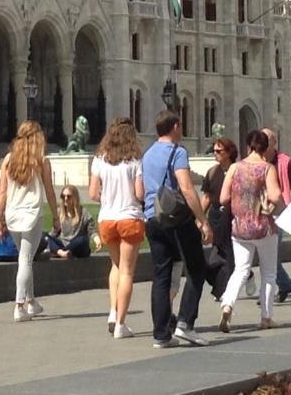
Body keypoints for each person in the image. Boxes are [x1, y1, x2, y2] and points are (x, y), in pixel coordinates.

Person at [142, 109, 213, 349]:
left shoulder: (148, 154)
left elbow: (140, 192)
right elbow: (186, 188)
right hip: (176, 221)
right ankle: (185, 323)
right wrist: (202, 220)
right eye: (180, 126)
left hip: (153, 218)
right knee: (197, 269)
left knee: (161, 275)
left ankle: (161, 334)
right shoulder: (178, 151)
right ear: (174, 127)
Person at [0, 120, 59, 322]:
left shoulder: (8, 160)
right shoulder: (41, 161)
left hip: (12, 215)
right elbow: (49, 191)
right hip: (31, 215)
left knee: (24, 256)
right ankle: (19, 304)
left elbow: (2, 192)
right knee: (26, 259)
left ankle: (31, 302)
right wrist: (56, 216)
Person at [218, 130, 284, 332]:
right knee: (269, 273)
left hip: (239, 228)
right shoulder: (267, 168)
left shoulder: (235, 168)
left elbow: (223, 199)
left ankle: (228, 303)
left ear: (248, 146)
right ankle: (266, 317)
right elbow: (275, 195)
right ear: (265, 148)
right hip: (263, 227)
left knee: (240, 269)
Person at [89, 117, 145, 339]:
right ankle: (121, 323)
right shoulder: (134, 160)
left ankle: (113, 312)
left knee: (115, 265)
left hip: (107, 219)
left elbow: (93, 193)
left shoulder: (100, 159)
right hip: (129, 217)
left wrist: (108, 200)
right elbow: (140, 193)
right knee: (127, 271)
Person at [262, 127, 291, 301]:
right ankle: (284, 284)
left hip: (280, 212)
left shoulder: (285, 161)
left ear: (274, 142)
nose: (263, 142)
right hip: (261, 211)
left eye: (267, 139)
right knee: (267, 254)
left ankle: (278, 287)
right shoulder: (256, 161)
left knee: (270, 253)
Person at [201, 137, 238, 301]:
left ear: (229, 153)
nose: (215, 154)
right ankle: (245, 275)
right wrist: (199, 218)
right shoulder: (212, 172)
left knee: (227, 254)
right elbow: (207, 197)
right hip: (216, 216)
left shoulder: (237, 170)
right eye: (214, 151)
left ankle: (223, 291)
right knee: (214, 258)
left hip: (232, 216)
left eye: (219, 151)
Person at [45, 184, 97, 259]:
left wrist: (96, 239)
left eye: (69, 196)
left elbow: (91, 231)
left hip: (78, 247)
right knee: (44, 236)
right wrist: (48, 239)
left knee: (83, 239)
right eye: (63, 196)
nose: (65, 199)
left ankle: (57, 252)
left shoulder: (83, 213)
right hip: (63, 245)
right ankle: (62, 253)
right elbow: (53, 233)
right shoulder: (59, 213)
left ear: (75, 198)